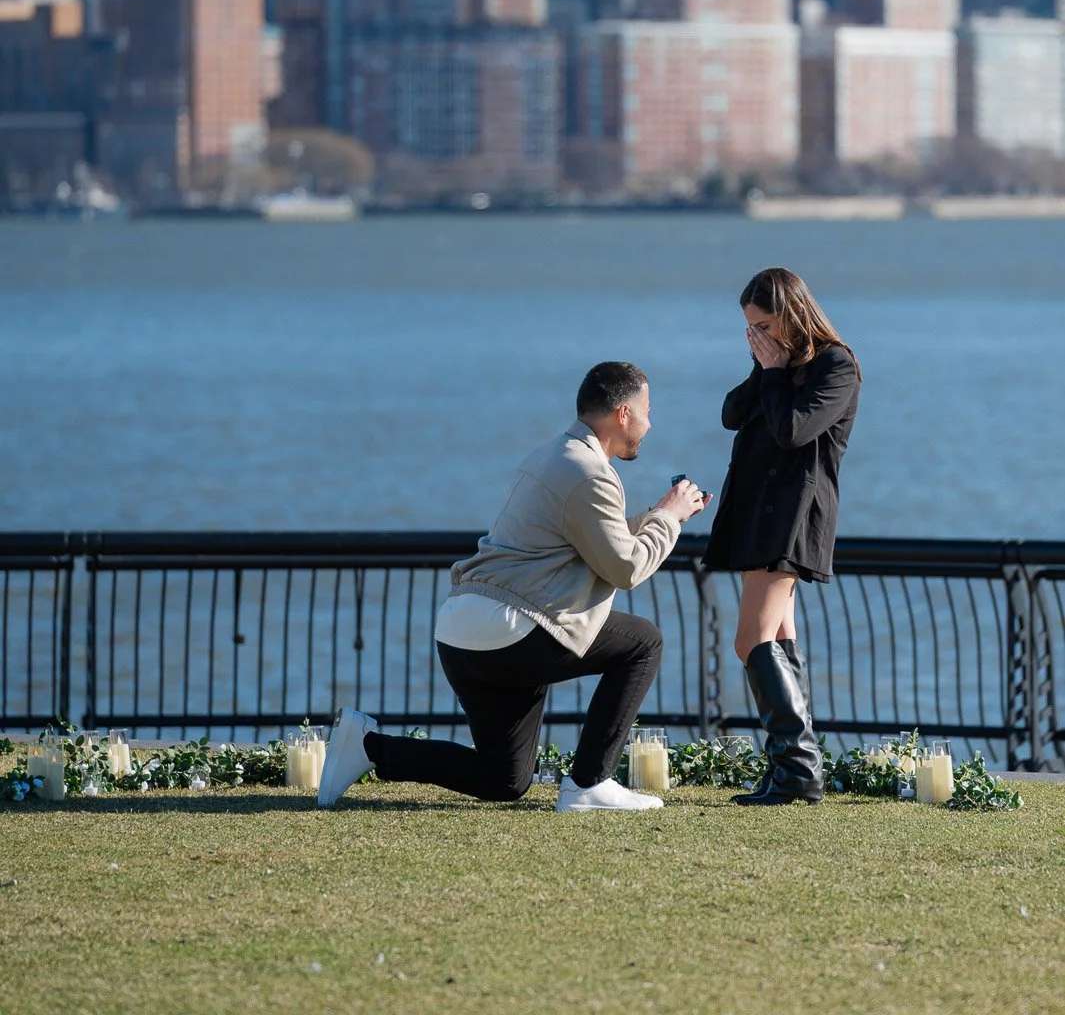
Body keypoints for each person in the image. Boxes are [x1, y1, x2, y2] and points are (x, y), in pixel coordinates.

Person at [318, 362, 707, 813]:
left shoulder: (551, 456)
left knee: (504, 778)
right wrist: (669, 519)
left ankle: (367, 748)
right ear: (623, 414)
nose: (649, 422)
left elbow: (594, 540)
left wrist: (659, 513)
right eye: (647, 410)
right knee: (643, 642)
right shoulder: (590, 473)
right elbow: (625, 568)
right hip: (512, 631)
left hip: (464, 634)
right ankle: (588, 784)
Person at [702, 268, 861, 806]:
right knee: (779, 640)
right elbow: (730, 415)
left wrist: (774, 373)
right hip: (759, 514)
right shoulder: (776, 366)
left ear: (792, 314)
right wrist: (765, 367)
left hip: (792, 516)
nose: (758, 336)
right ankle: (790, 769)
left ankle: (798, 771)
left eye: (765, 324)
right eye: (750, 328)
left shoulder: (837, 365)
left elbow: (793, 430)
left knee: (749, 641)